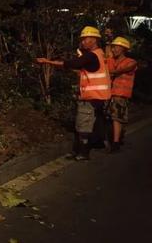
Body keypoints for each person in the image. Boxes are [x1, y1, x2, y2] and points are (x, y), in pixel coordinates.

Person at [37, 26, 111, 160]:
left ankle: (83, 153)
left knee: (83, 125)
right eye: (82, 39)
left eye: (85, 39)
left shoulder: (91, 55)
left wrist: (47, 61)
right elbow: (82, 69)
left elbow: (70, 63)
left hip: (91, 97)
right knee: (90, 122)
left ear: (94, 40)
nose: (82, 42)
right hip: (99, 97)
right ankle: (85, 148)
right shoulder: (100, 54)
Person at [106, 37, 137, 152]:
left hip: (120, 94)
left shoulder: (131, 62)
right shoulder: (110, 60)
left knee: (116, 118)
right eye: (113, 47)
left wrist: (112, 71)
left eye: (116, 47)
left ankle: (115, 142)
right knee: (115, 118)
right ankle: (116, 139)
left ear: (123, 49)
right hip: (108, 94)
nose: (114, 49)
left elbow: (125, 69)